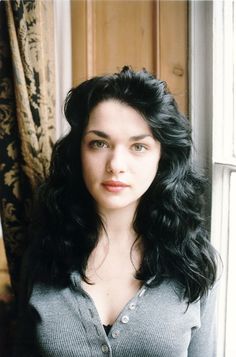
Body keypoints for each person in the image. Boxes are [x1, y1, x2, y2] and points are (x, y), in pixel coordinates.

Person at [14, 66, 219, 356]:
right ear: (78, 153)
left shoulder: (194, 262)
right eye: (99, 143)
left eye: (138, 146)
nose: (116, 164)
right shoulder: (43, 254)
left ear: (162, 157)